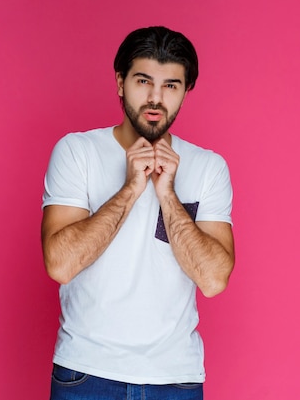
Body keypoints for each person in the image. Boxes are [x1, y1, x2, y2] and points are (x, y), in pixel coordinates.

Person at [41, 26, 235, 400]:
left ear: (185, 92)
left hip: (175, 377)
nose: (155, 98)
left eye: (171, 85)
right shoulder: (76, 152)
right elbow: (60, 265)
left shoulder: (209, 167)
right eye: (143, 80)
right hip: (86, 372)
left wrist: (168, 196)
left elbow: (213, 280)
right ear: (120, 82)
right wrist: (130, 189)